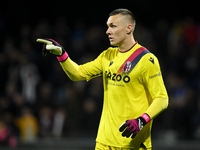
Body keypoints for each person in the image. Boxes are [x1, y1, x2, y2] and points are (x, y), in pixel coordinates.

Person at [37, 8, 168, 150]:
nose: (107, 31)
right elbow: (78, 73)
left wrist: (142, 120)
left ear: (128, 28)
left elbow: (162, 98)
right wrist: (62, 55)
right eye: (107, 26)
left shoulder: (146, 60)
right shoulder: (107, 55)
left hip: (132, 143)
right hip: (104, 142)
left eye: (113, 26)